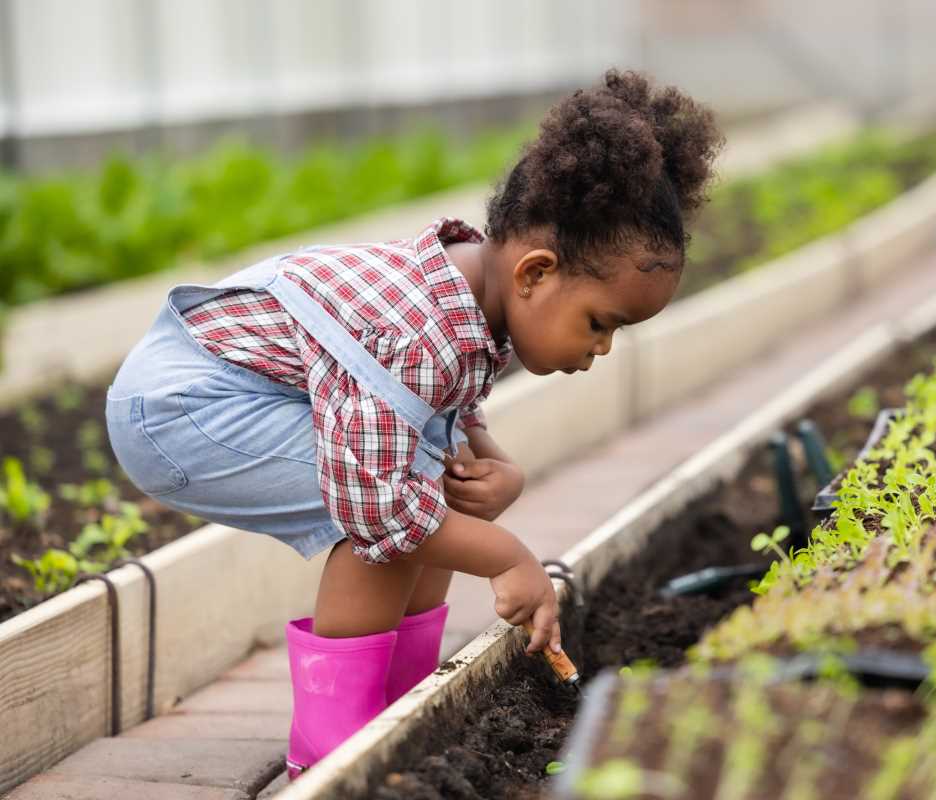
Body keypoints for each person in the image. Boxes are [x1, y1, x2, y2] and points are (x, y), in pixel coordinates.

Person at [105, 69, 723, 778]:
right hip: (183, 407)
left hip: (231, 391)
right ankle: (332, 752)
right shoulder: (415, 327)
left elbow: (433, 406)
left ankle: (397, 713)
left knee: (422, 498)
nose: (601, 349)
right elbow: (381, 504)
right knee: (385, 528)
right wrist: (508, 557)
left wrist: (495, 461)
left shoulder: (471, 296)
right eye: (599, 324)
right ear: (535, 274)